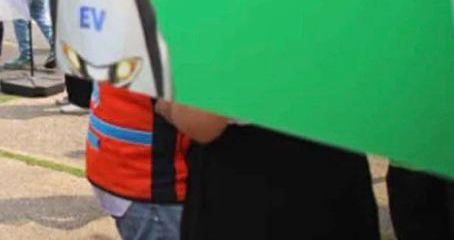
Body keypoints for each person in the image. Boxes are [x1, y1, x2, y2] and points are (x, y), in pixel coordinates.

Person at [156, 100, 379, 240]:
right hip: (339, 158)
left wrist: (165, 105)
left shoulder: (219, 25)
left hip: (249, 183)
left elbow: (202, 121)